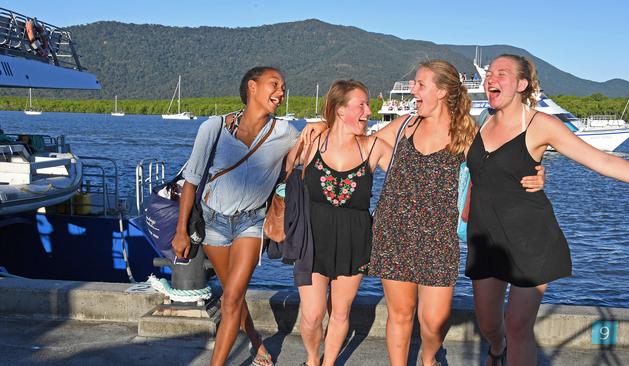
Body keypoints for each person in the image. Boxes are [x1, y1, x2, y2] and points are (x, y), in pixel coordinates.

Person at [465, 54, 629, 366]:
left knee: (518, 324)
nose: (490, 78)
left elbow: (601, 161)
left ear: (522, 84)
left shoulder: (541, 125)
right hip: (486, 237)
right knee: (487, 323)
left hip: (531, 239)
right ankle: (497, 349)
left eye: (502, 73)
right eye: (490, 73)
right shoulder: (479, 121)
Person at [364, 60, 545, 366]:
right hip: (392, 231)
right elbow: (361, 150)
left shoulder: (467, 134)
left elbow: (504, 167)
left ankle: (431, 357)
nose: (413, 89)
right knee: (400, 313)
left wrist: (538, 174)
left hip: (439, 237)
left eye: (421, 84)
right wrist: (325, 127)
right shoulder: (404, 126)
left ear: (442, 92)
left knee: (434, 320)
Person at [172, 66, 324, 366]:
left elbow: (312, 155)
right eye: (275, 84)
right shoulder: (213, 128)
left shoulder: (284, 132)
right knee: (233, 295)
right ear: (252, 87)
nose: (281, 92)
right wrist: (180, 231)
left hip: (251, 223)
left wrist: (321, 127)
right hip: (213, 222)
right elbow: (191, 181)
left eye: (283, 86)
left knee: (231, 299)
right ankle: (256, 341)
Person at [294, 80, 393, 366]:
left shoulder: (374, 147)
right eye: (361, 104)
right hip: (312, 238)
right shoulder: (312, 141)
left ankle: (328, 364)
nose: (368, 111)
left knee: (340, 312)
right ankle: (313, 359)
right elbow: (279, 166)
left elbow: (410, 177)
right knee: (312, 316)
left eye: (368, 105)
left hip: (355, 238)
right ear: (339, 110)